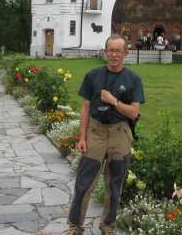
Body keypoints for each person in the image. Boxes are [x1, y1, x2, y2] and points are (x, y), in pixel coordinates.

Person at [67, 34, 145, 235]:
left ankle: (107, 226)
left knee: (115, 185)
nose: (114, 54)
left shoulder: (133, 79)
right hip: (96, 132)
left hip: (120, 135)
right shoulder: (93, 75)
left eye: (119, 51)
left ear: (126, 53)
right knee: (84, 183)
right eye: (110, 50)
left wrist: (114, 101)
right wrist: (82, 137)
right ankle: (75, 227)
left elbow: (134, 112)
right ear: (105, 51)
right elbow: (85, 108)